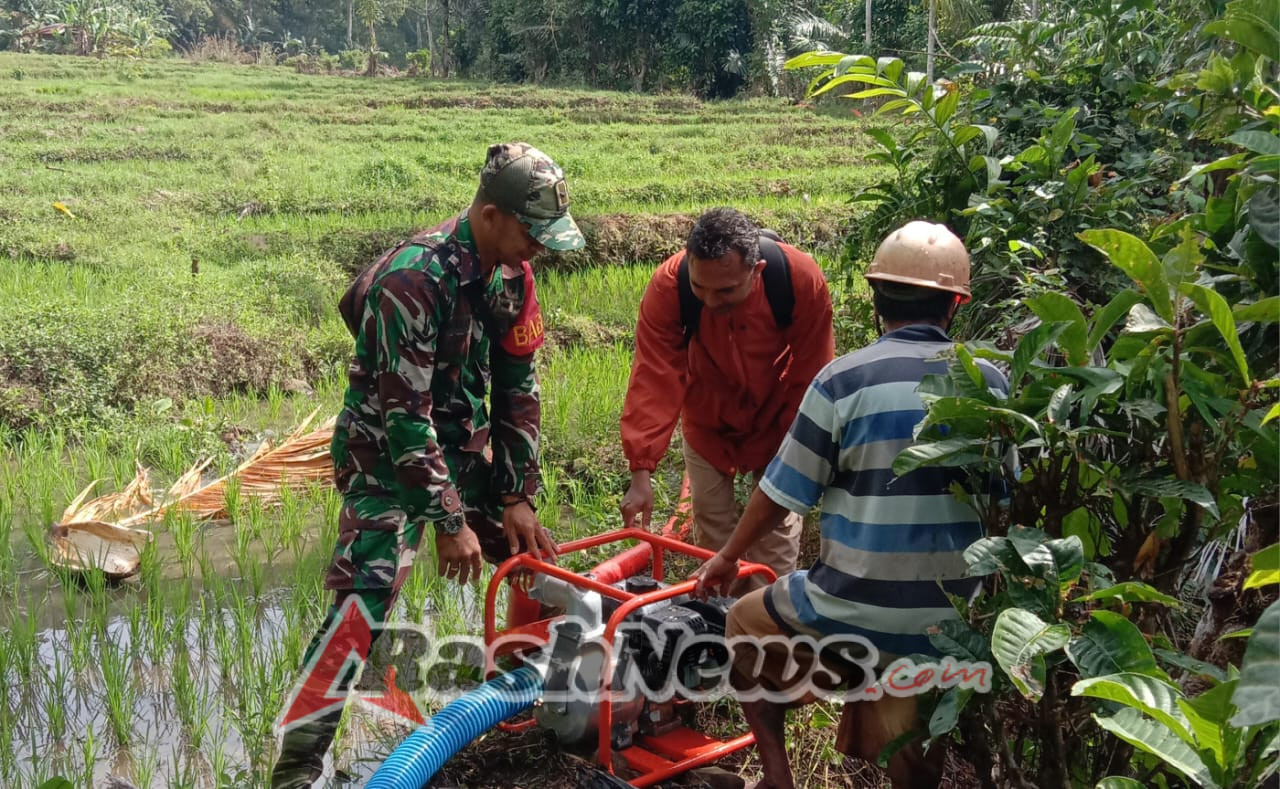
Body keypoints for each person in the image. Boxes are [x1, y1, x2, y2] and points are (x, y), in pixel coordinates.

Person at [271, 142, 583, 788]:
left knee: (537, 562)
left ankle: (552, 702)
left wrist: (515, 492)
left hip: (463, 447)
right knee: (365, 598)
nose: (541, 249)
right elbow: (403, 417)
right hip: (386, 458)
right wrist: (447, 521)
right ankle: (297, 767)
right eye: (533, 232)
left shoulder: (513, 276)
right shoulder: (414, 279)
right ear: (491, 214)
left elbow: (518, 388)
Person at [692, 221, 1009, 789]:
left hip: (849, 611)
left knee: (744, 619)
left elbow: (781, 491)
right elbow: (1011, 502)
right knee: (911, 718)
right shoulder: (990, 382)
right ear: (955, 305)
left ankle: (777, 776)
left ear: (876, 298)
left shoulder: (841, 381)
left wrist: (728, 556)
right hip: (954, 623)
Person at [619, 207, 834, 590]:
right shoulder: (671, 287)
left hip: (776, 422)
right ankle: (721, 632)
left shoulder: (799, 280)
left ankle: (768, 634)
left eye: (726, 291)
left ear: (757, 270)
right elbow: (655, 375)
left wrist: (795, 455)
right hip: (707, 420)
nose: (711, 301)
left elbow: (811, 377)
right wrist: (641, 470)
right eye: (701, 289)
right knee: (712, 537)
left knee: (774, 544)